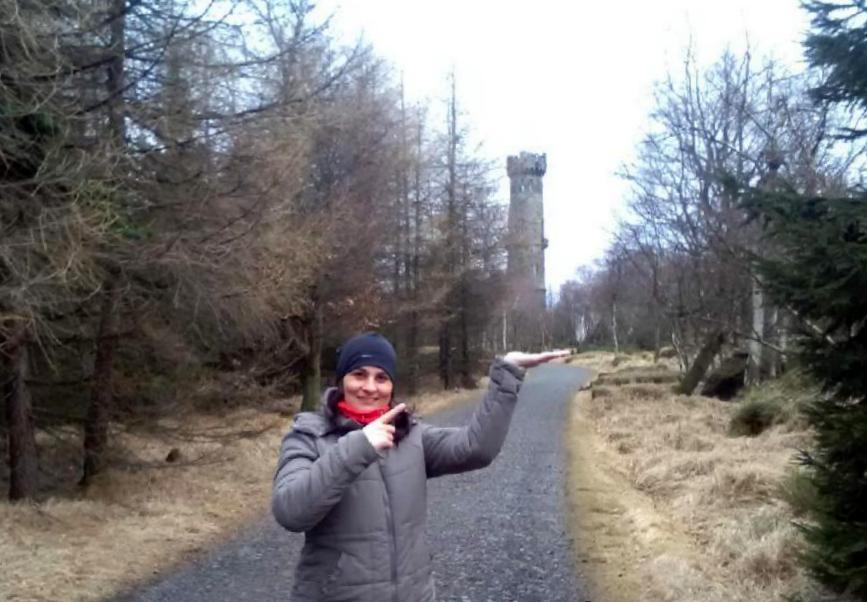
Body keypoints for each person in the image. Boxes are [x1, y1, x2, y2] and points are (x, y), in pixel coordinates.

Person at [272, 332, 567, 601]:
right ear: (341, 380)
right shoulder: (309, 435)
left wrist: (507, 375)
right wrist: (358, 447)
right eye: (359, 374)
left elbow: (476, 448)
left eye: (381, 378)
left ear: (392, 386)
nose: (370, 387)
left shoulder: (410, 435)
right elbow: (290, 512)